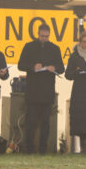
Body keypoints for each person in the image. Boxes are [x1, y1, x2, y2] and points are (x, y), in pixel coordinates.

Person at [17, 24, 64, 154]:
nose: (44, 38)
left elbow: (61, 68)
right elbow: (20, 65)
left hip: (47, 91)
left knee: (45, 122)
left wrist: (54, 68)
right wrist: (33, 67)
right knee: (30, 122)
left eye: (47, 36)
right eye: (42, 36)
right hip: (33, 91)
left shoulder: (55, 49)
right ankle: (29, 149)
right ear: (38, 34)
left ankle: (43, 149)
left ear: (49, 35)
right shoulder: (29, 47)